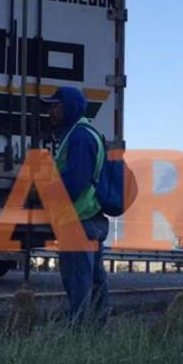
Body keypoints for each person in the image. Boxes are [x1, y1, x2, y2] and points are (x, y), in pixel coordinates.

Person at [44, 86, 109, 324]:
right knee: (94, 280)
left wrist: (44, 192)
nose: (50, 111)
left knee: (78, 280)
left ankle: (79, 330)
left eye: (55, 105)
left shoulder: (79, 136)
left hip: (79, 219)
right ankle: (95, 330)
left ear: (69, 106)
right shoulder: (85, 132)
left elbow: (75, 182)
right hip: (90, 217)